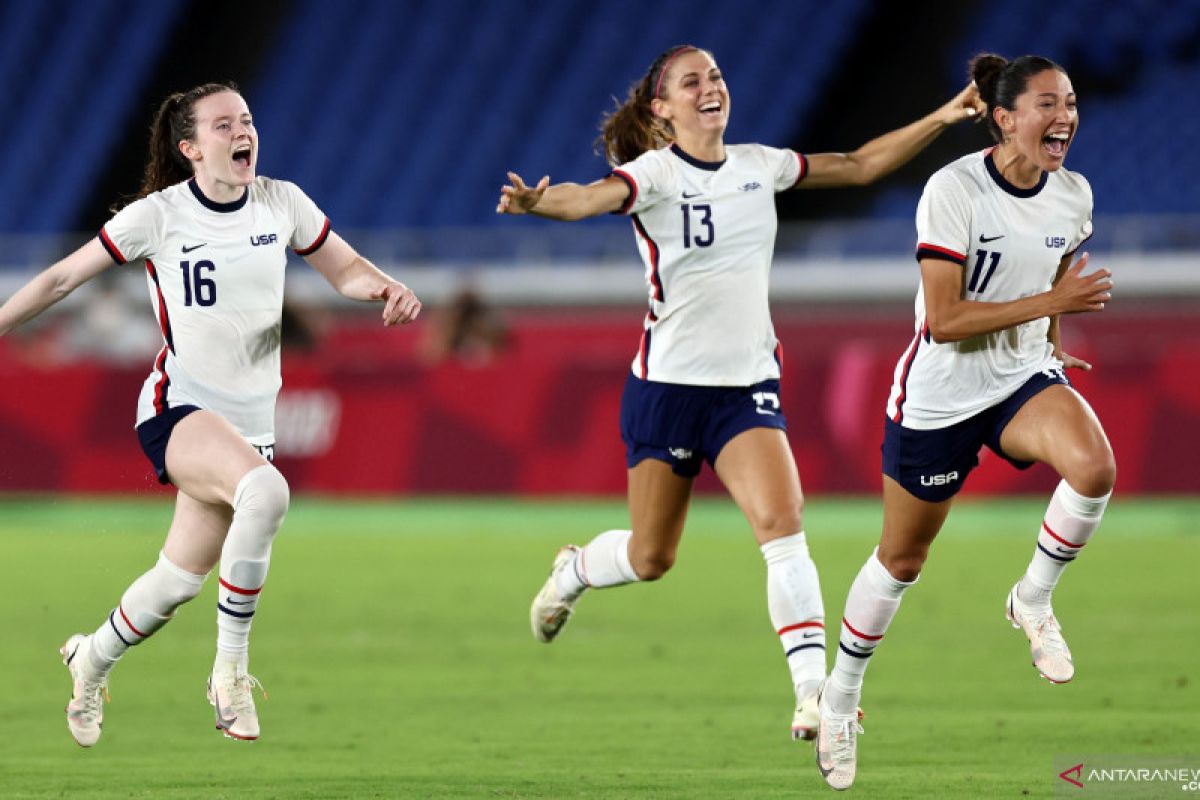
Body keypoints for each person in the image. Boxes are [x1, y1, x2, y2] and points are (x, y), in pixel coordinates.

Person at [496, 45, 983, 746]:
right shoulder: (654, 173)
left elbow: (859, 164)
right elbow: (587, 198)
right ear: (662, 110)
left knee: (783, 528)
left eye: (717, 76)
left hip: (745, 389)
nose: (710, 88)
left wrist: (943, 115)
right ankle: (573, 570)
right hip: (667, 391)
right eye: (692, 82)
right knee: (650, 557)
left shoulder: (761, 164)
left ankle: (814, 695)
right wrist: (541, 204)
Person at [0, 82, 421, 746]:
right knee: (266, 492)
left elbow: (345, 271)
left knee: (175, 583)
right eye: (224, 125)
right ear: (191, 148)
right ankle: (228, 673)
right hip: (179, 408)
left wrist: (387, 288)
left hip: (251, 424)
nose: (242, 132)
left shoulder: (282, 202)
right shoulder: (157, 216)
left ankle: (90, 658)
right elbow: (59, 279)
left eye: (247, 120)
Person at [815, 53, 1115, 790]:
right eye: (1047, 103)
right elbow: (945, 321)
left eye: (1071, 102)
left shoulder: (1073, 196)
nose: (1066, 116)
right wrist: (1050, 311)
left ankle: (1032, 599)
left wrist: (1050, 345)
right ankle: (841, 697)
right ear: (1004, 117)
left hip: (1018, 377)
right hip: (941, 395)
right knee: (901, 561)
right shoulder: (952, 191)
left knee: (1094, 467)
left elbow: (1048, 279)